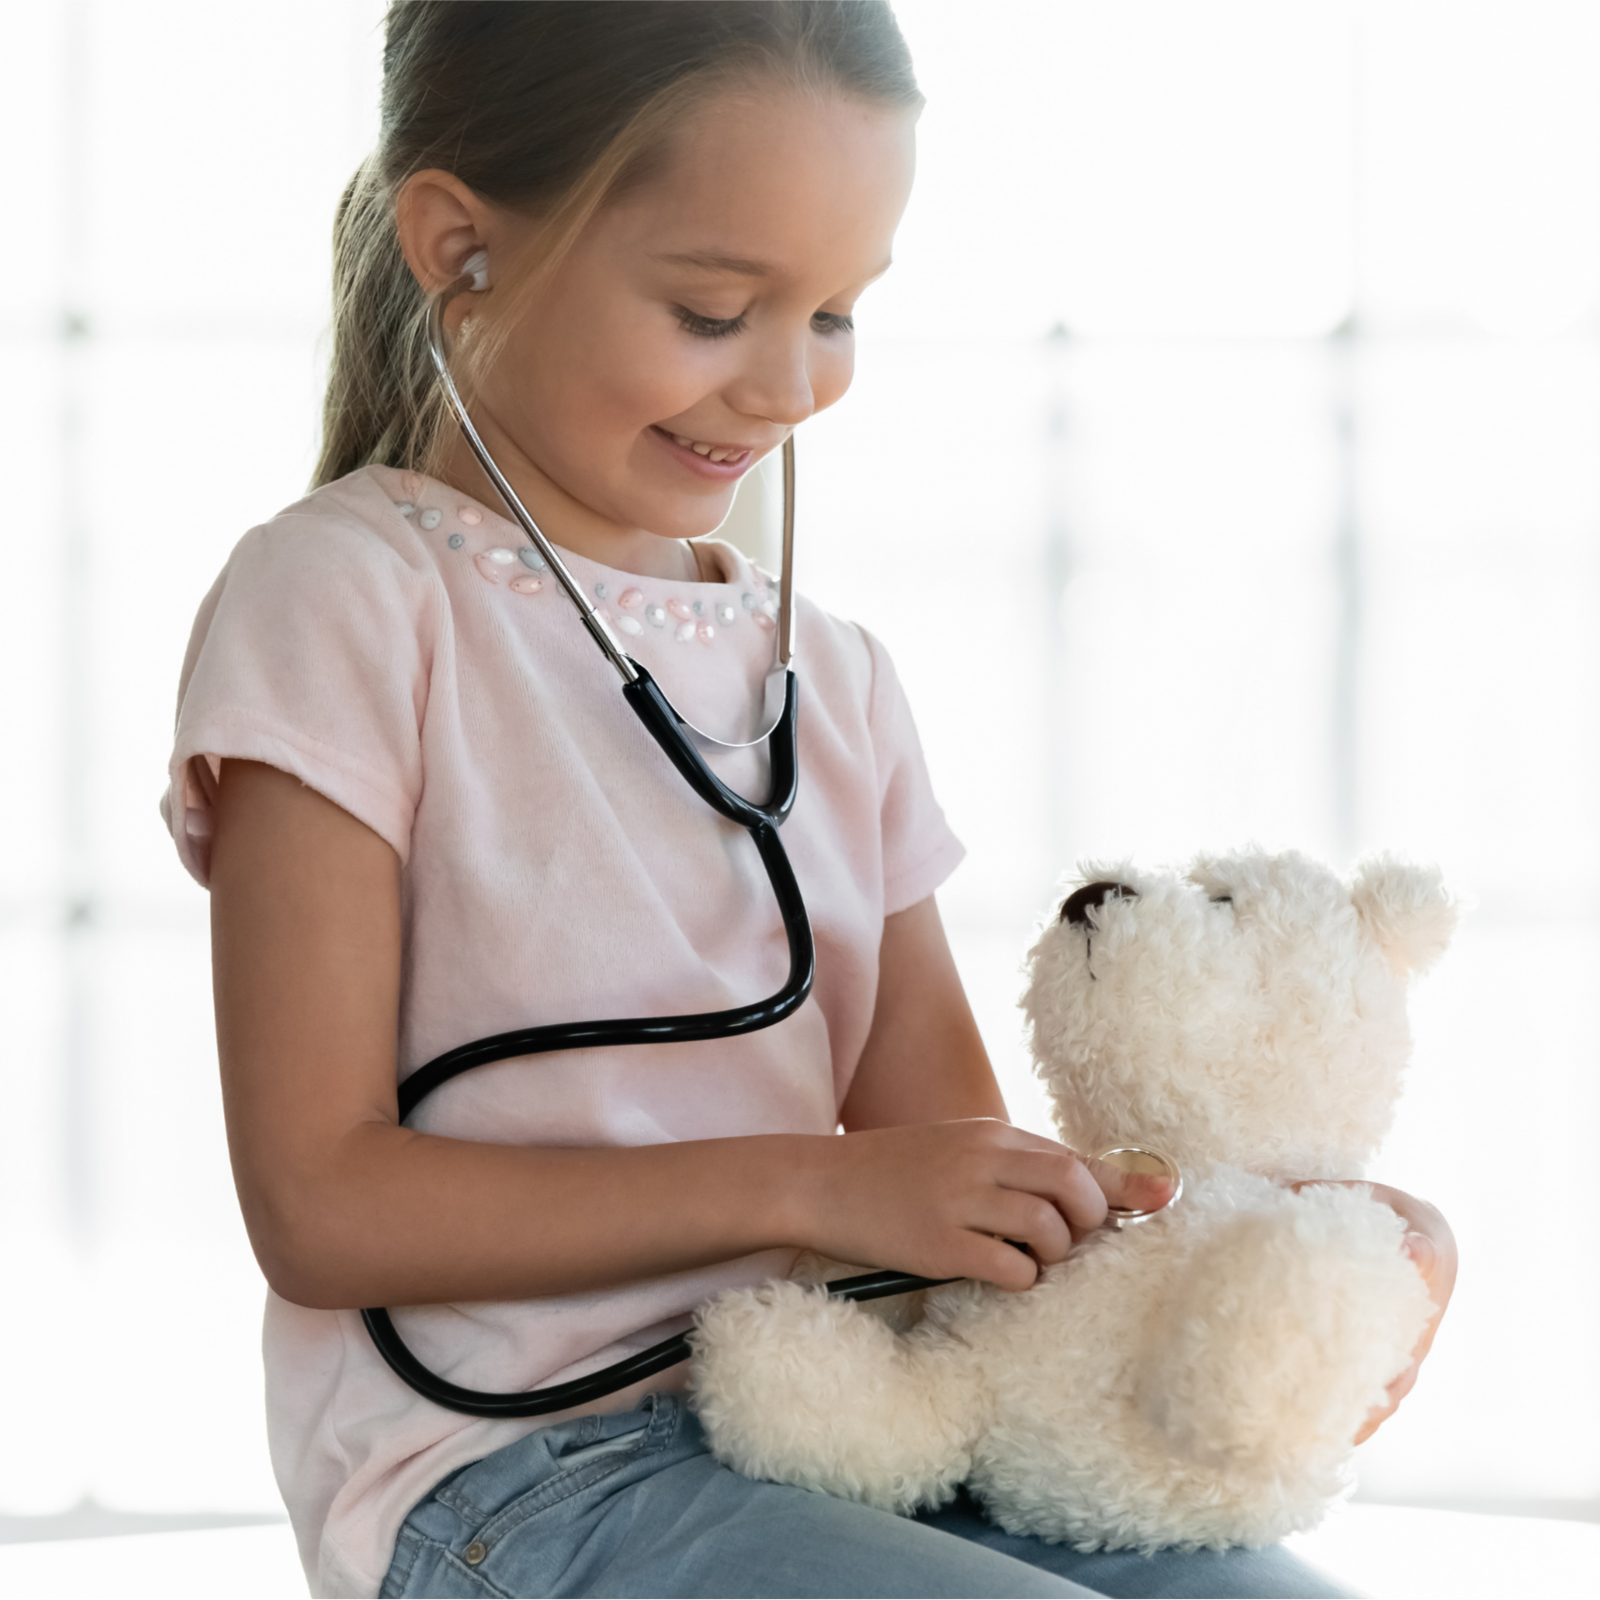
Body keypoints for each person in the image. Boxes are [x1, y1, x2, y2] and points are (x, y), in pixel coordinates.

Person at [163, 4, 1456, 1597]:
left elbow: (950, 1171)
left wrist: (1293, 1235)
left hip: (871, 1422)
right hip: (508, 1476)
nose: (788, 385)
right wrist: (816, 1185)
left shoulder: (827, 677)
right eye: (715, 310)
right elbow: (320, 1204)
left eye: (837, 312)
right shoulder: (344, 600)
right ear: (459, 246)